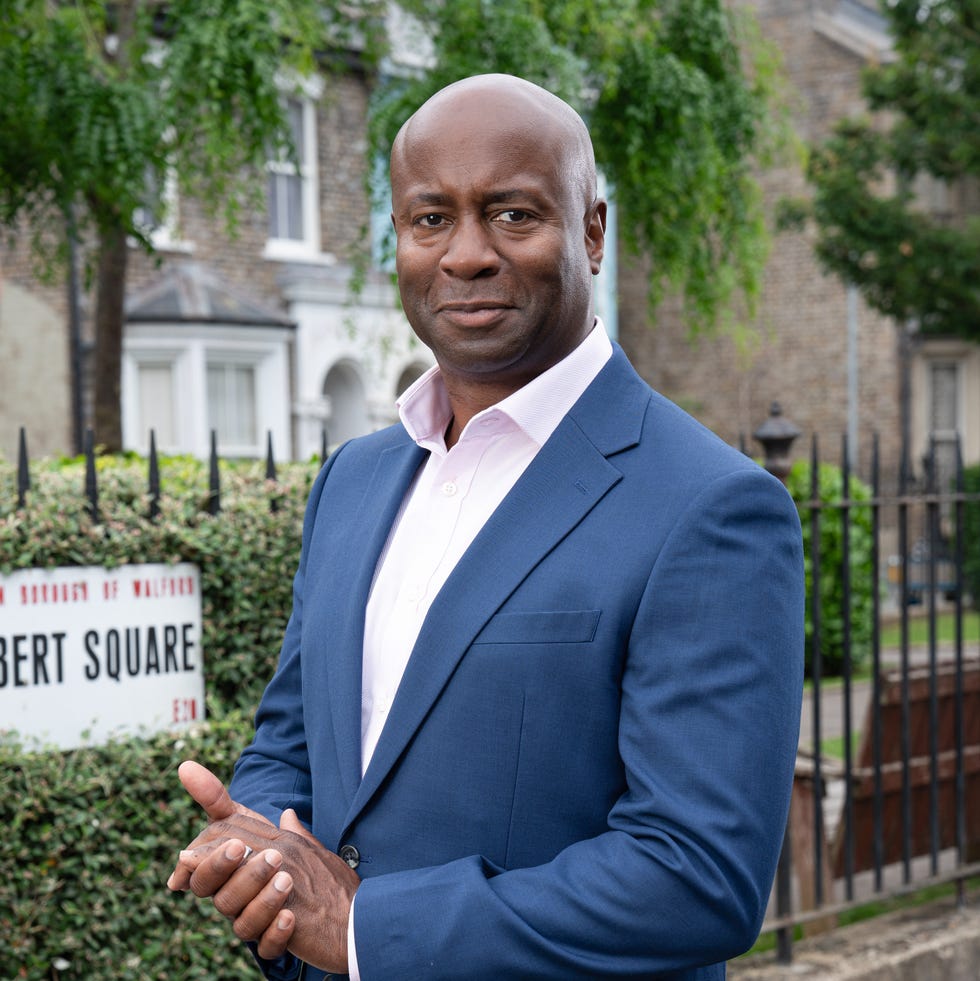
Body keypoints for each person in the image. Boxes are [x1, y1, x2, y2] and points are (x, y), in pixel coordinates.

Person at [168, 73, 805, 980]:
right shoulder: (352, 479)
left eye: (512, 214)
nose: (465, 254)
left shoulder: (710, 506)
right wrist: (260, 851)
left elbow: (697, 876)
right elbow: (289, 746)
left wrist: (364, 927)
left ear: (592, 231)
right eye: (430, 219)